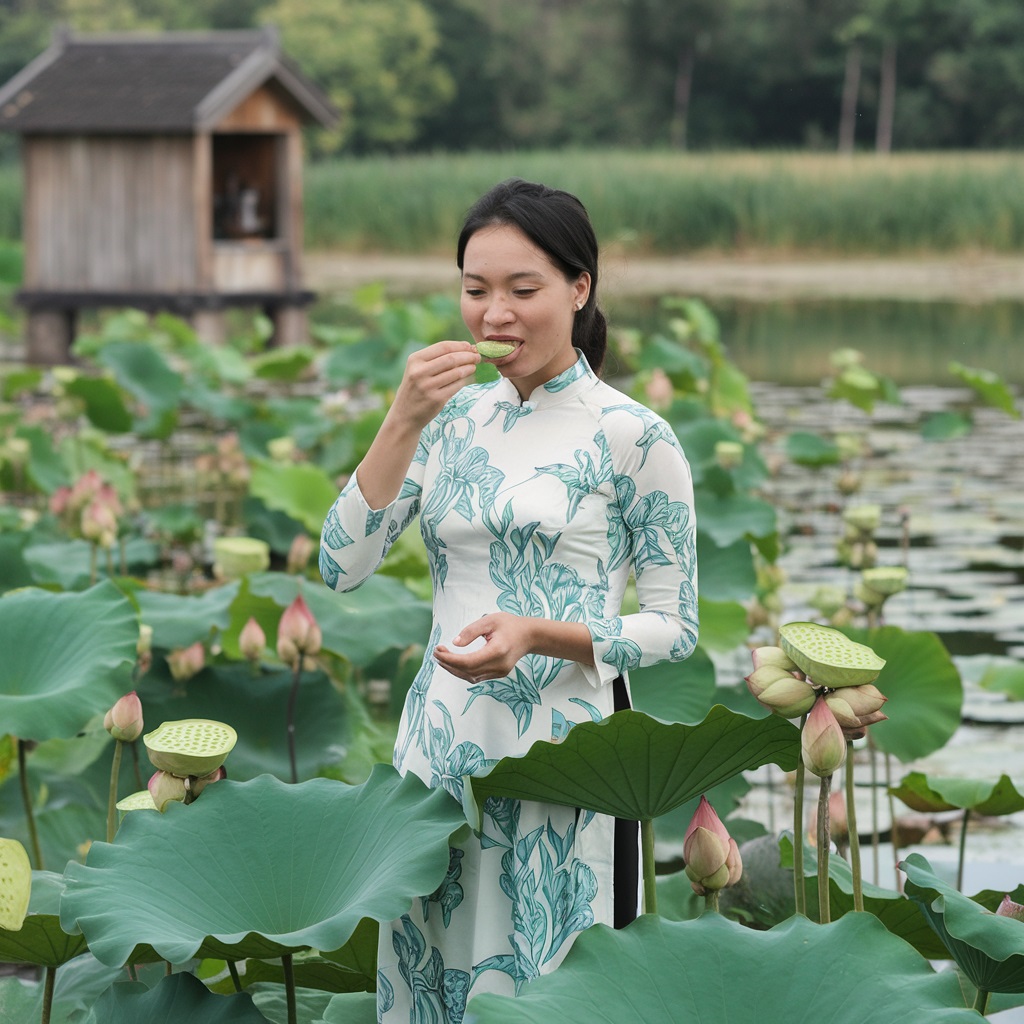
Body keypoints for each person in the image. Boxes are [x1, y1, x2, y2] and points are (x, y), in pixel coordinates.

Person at [319, 177, 698, 1021]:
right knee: (431, 987)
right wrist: (401, 418)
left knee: (556, 996)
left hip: (568, 757)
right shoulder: (448, 421)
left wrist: (540, 633)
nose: (496, 314)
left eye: (523, 290)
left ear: (579, 288)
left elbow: (675, 628)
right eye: (476, 289)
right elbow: (340, 566)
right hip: (439, 750)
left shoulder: (633, 435)